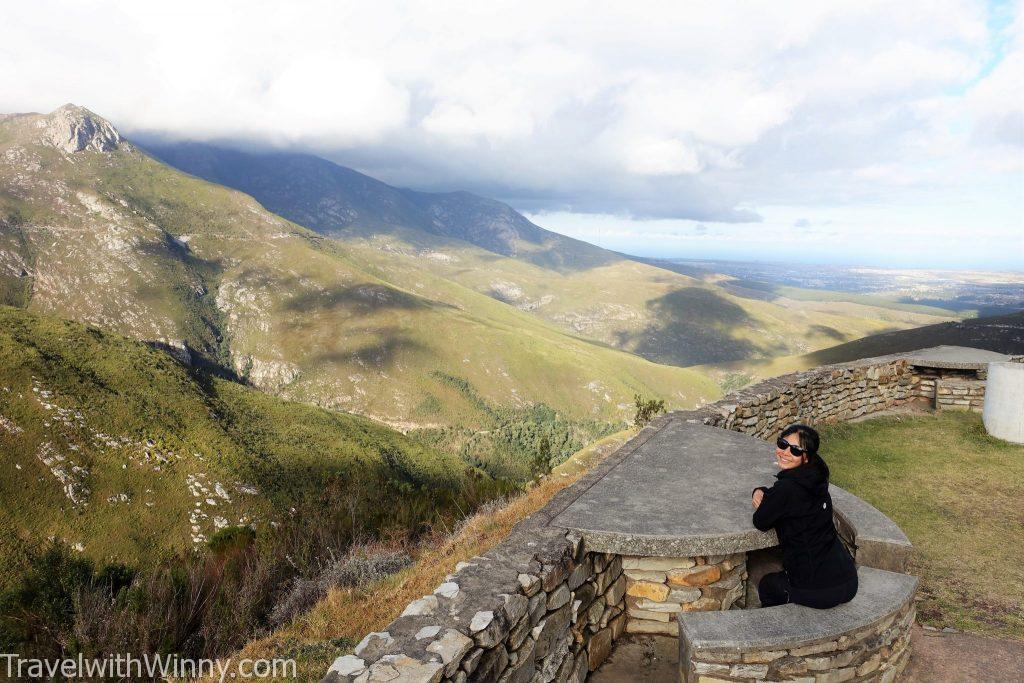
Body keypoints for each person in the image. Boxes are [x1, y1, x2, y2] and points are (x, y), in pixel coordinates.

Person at [751, 423, 858, 609]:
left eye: (795, 450)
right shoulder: (816, 479)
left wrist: (758, 492)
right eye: (782, 444)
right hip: (847, 579)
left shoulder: (787, 489)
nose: (785, 452)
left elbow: (761, 520)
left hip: (820, 589)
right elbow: (790, 499)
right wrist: (763, 491)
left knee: (767, 585)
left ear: (806, 457)